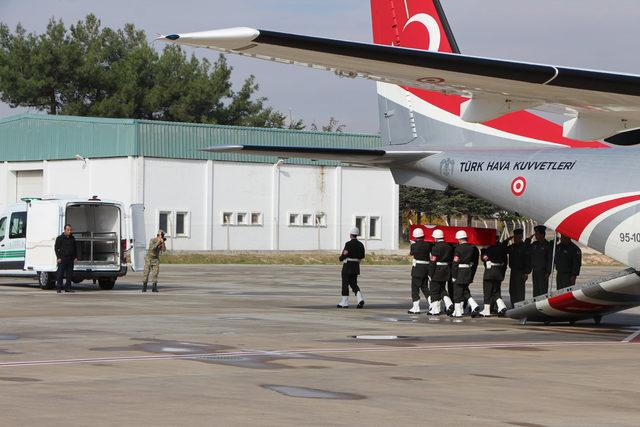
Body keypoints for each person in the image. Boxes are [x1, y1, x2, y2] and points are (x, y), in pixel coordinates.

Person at [450, 230, 481, 317]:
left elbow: (455, 263)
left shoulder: (458, 248)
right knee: (465, 290)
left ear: (459, 239)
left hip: (460, 271)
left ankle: (458, 312)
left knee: (457, 292)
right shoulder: (471, 248)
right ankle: (474, 305)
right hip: (468, 271)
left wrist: (454, 275)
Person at [479, 237, 508, 317]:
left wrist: (483, 250)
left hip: (490, 272)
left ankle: (487, 310)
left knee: (488, 291)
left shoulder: (489, 248)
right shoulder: (502, 248)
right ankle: (502, 306)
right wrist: (502, 274)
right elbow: (505, 262)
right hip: (499, 272)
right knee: (496, 291)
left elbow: (484, 259)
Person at [427, 229, 454, 315]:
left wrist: (430, 273)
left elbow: (433, 261)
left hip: (437, 270)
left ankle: (435, 310)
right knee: (442, 288)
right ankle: (448, 303)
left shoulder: (435, 247)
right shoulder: (448, 246)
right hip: (446, 269)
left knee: (434, 289)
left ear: (436, 238)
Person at [337, 227, 365, 309]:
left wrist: (340, 258)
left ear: (351, 235)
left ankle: (344, 302)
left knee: (345, 283)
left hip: (348, 265)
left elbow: (345, 254)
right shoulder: (361, 244)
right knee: (353, 283)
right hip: (356, 266)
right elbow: (362, 256)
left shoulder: (348, 244)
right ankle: (360, 299)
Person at [503, 228, 531, 307]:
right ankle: (514, 306)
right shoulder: (512, 247)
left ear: (521, 237)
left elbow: (528, 261)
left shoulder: (525, 247)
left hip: (521, 272)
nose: (515, 239)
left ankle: (520, 306)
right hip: (513, 271)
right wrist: (507, 240)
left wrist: (526, 272)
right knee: (512, 290)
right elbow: (503, 249)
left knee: (520, 291)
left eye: (517, 238)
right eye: (514, 238)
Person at [408, 228, 432, 314]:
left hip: (417, 268)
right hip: (426, 267)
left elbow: (412, 253)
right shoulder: (428, 244)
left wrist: (413, 244)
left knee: (415, 288)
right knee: (425, 287)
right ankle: (431, 304)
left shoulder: (414, 245)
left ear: (415, 237)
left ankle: (416, 307)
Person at [529, 225, 553, 297]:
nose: (535, 236)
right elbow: (525, 247)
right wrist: (529, 239)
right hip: (535, 271)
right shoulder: (534, 244)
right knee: (536, 291)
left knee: (542, 291)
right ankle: (536, 306)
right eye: (535, 234)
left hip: (543, 272)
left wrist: (548, 272)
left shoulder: (547, 245)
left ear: (542, 235)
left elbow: (550, 259)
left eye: (537, 234)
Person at [54, 224, 77, 293]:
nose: (69, 231)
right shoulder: (60, 238)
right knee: (60, 274)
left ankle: (68, 288)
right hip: (62, 258)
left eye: (70, 230)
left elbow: (75, 248)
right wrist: (58, 257)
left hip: (70, 258)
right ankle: (59, 288)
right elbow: (56, 248)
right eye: (68, 230)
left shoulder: (72, 238)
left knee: (69, 274)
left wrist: (75, 256)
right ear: (64, 230)